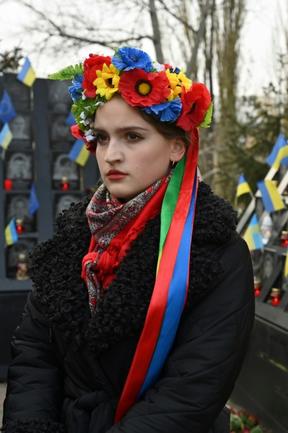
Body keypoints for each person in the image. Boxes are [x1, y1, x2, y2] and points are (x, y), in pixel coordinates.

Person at [2, 47, 254, 433]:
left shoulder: (214, 250)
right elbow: (35, 355)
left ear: (176, 147)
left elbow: (192, 390)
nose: (111, 155)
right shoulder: (73, 237)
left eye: (133, 137)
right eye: (102, 138)